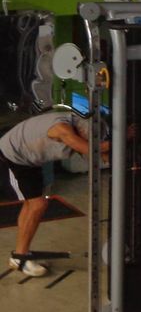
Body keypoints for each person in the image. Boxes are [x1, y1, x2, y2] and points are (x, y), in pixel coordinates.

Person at [1, 111, 104, 276]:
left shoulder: (76, 125)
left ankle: (21, 254)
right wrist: (117, 143)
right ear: (81, 131)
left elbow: (100, 154)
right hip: (13, 155)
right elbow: (91, 150)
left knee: (32, 204)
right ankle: (20, 257)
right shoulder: (63, 129)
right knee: (37, 205)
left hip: (28, 158)